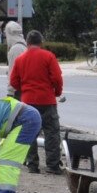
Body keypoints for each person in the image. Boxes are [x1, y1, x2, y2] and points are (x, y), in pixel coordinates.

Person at [9, 30, 64, 174]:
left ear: (27, 43)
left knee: (29, 132)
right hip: (47, 100)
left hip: (27, 102)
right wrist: (56, 93)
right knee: (51, 132)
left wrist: (25, 91)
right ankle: (52, 165)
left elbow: (14, 81)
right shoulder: (49, 56)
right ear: (41, 42)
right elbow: (57, 78)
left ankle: (32, 164)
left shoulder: (20, 59)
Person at [4, 21, 28, 97]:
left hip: (17, 91)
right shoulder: (24, 47)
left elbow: (13, 72)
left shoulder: (15, 49)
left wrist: (10, 92)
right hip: (24, 88)